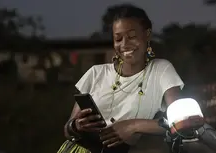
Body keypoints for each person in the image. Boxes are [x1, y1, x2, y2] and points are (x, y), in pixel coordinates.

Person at [60, 4, 185, 153]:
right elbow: (67, 130)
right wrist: (76, 126)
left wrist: (132, 126)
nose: (124, 45)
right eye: (118, 39)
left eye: (132, 37)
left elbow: (181, 122)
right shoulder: (95, 73)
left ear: (147, 35)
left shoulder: (161, 70)